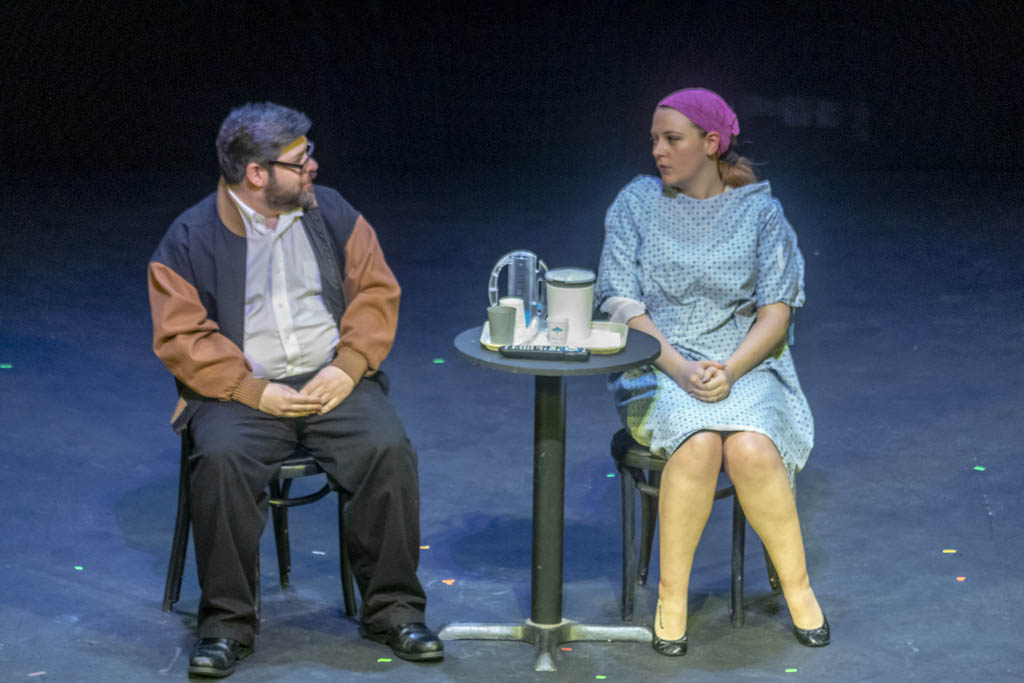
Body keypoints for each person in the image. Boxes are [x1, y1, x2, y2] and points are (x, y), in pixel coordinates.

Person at [148, 102, 443, 677]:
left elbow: (376, 292)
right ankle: (227, 625)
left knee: (386, 449)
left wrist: (349, 364)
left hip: (330, 377)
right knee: (222, 459)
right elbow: (181, 335)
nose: (313, 165)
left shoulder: (331, 212)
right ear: (257, 174)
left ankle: (395, 610)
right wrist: (251, 390)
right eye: (299, 159)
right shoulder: (191, 236)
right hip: (240, 390)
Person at [596, 88, 828, 657]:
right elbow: (620, 300)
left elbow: (776, 310)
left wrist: (732, 368)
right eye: (654, 138)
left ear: (711, 143)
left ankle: (799, 589)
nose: (657, 150)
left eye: (671, 139)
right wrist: (678, 367)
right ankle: (671, 597)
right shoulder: (635, 203)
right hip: (658, 362)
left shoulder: (760, 212)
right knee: (698, 445)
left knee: (751, 448)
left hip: (746, 363)